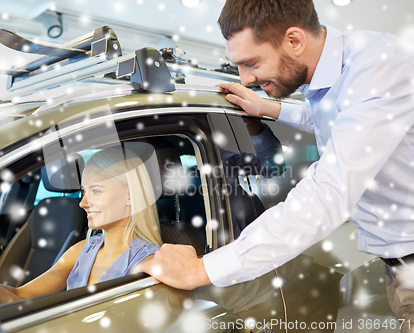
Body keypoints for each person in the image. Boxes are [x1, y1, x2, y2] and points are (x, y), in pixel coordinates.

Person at [136, 0, 414, 330]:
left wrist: (202, 270)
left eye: (251, 62)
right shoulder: (331, 73)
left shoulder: (380, 67)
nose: (246, 78)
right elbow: (328, 118)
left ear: (294, 40)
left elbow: (328, 193)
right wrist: (270, 109)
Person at [0, 147, 163, 304]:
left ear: (130, 196)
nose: (83, 203)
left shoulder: (146, 264)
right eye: (84, 191)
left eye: (96, 191)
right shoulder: (82, 250)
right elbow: (23, 296)